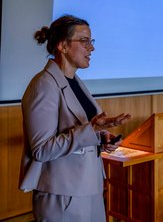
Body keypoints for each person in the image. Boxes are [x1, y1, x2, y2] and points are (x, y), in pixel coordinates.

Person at [19, 15, 131, 222]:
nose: (92, 48)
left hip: (89, 186)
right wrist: (92, 130)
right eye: (84, 41)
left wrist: (102, 138)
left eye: (91, 41)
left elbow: (83, 130)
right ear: (63, 46)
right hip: (62, 194)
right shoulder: (43, 85)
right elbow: (42, 150)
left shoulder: (75, 82)